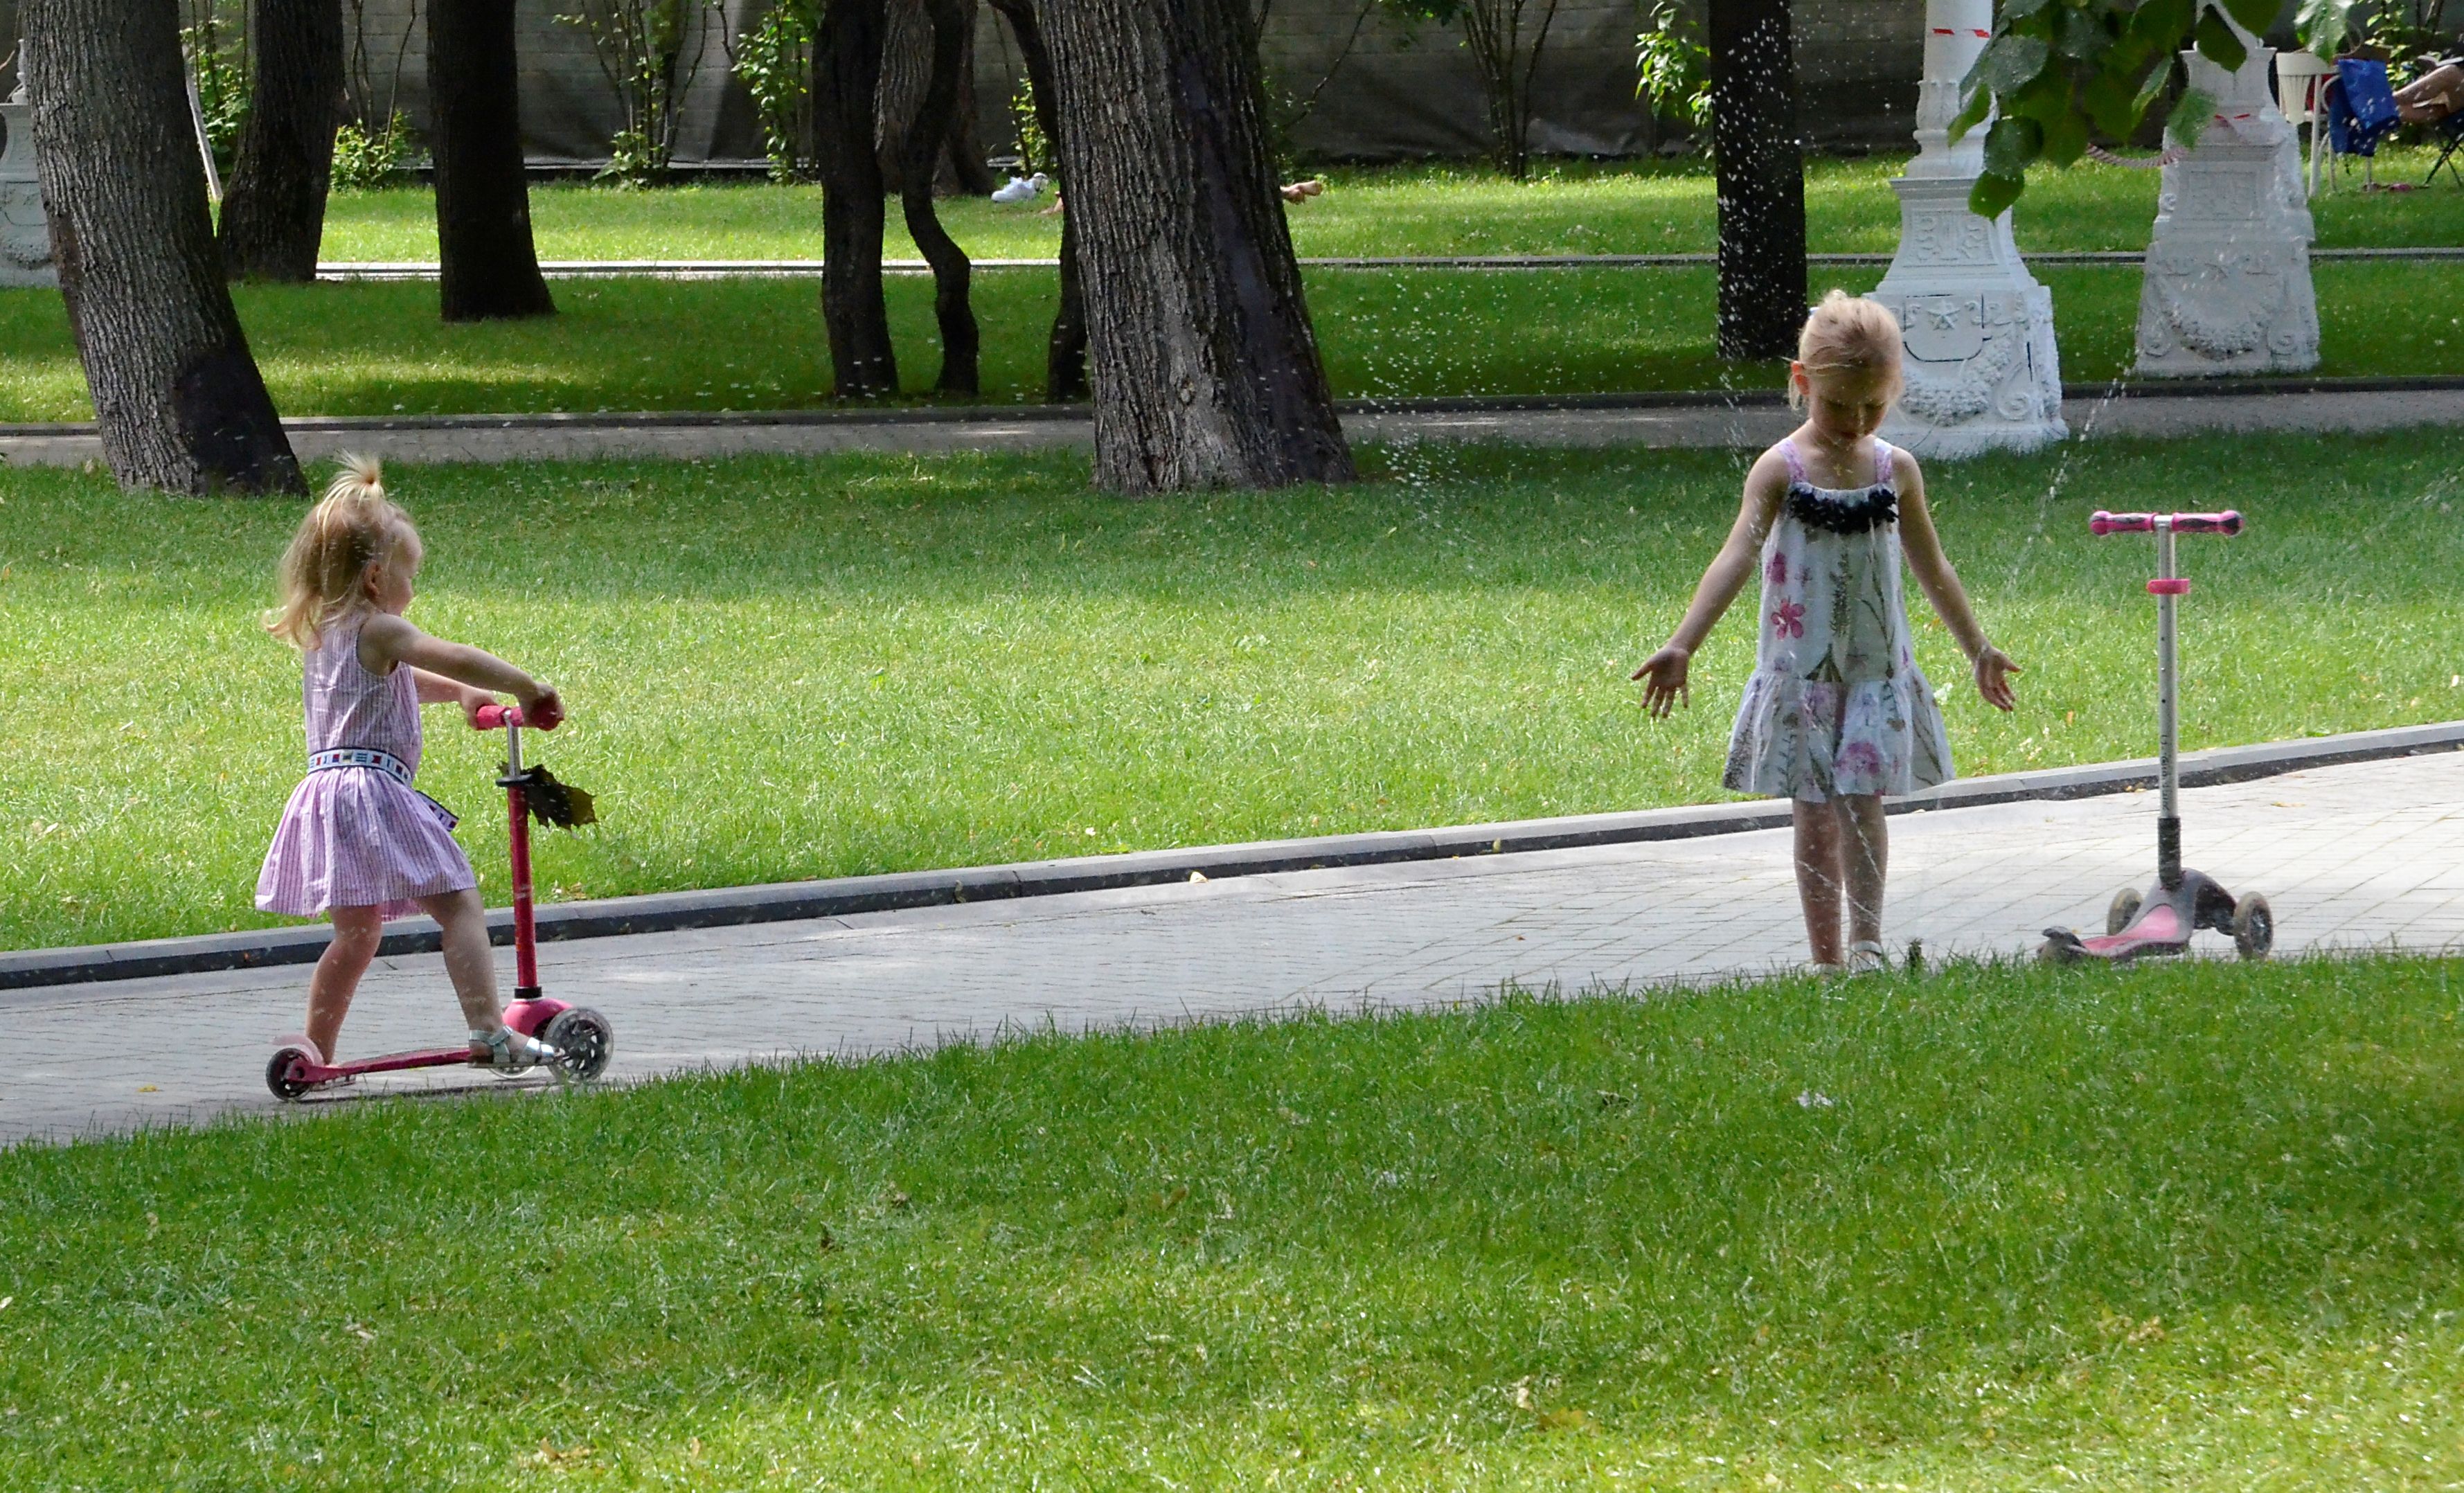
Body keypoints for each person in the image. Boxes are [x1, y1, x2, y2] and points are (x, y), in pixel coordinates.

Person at [1630, 291, 2019, 972]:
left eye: (1875, 405)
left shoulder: (1894, 470)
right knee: (1813, 812)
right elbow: (1737, 555)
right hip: (1802, 673)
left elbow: (1933, 565)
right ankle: (1826, 958)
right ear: (1802, 381)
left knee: (1863, 801)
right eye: (1840, 406)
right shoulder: (1782, 469)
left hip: (1874, 672)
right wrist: (1684, 641)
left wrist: (1977, 646)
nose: (1857, 421)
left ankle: (1867, 943)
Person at [258, 456, 566, 1067]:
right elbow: (451, 655)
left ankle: (315, 1049)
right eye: (410, 575)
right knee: (458, 904)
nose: (412, 590)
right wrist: (524, 687)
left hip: (326, 796)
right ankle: (488, 1028)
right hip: (375, 792)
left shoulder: (329, 636)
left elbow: (404, 682)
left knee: (356, 932)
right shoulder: (383, 629)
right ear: (376, 579)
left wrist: (456, 695)